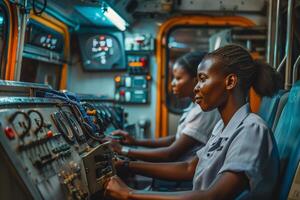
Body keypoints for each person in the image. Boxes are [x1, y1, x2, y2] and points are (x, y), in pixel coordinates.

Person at [105, 44, 281, 200]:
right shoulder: (222, 126)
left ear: (230, 82)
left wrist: (129, 194)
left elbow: (214, 196)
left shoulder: (252, 130)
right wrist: (127, 165)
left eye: (203, 79)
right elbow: (189, 168)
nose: (196, 87)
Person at [110, 52, 220, 163]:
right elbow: (175, 139)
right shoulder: (194, 105)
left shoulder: (204, 111)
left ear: (196, 80)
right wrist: (135, 141)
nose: (172, 83)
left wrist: (122, 150)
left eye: (178, 78)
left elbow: (170, 154)